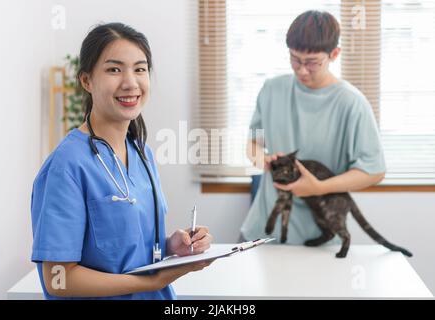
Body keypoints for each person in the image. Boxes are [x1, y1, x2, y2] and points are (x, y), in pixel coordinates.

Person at [30, 22, 213, 300]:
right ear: (86, 80)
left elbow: (122, 250)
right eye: (114, 69)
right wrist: (149, 283)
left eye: (140, 69)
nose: (130, 82)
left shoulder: (141, 153)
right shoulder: (67, 165)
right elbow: (58, 278)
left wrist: (172, 246)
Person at [240, 11, 386, 245]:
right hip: (261, 232)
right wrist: (262, 159)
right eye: (295, 59)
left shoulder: (352, 104)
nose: (301, 70)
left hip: (319, 239)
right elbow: (254, 141)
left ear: (334, 54)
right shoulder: (271, 90)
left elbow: (374, 170)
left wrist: (319, 187)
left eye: (312, 62)